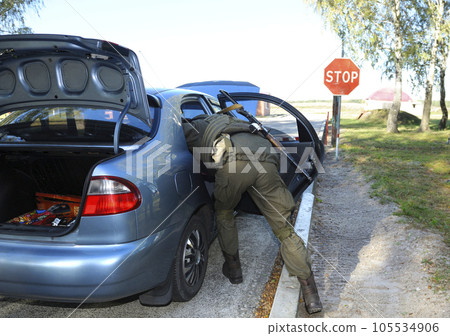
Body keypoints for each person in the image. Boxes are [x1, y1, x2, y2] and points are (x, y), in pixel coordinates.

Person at [183, 112, 322, 314]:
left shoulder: (197, 124)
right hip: (266, 160)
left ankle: (234, 270)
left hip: (234, 163)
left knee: (224, 214)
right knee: (284, 231)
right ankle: (311, 294)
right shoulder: (240, 121)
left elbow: (178, 141)